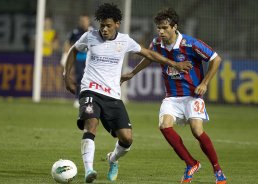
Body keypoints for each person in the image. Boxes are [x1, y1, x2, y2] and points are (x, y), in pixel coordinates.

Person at [64, 3, 192, 183]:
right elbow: (73, 50)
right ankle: (89, 170)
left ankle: (112, 159)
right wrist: (66, 75)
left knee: (127, 139)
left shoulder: (125, 41)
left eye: (108, 25)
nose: (105, 29)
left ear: (117, 24)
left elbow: (149, 54)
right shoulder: (89, 36)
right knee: (91, 124)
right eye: (102, 25)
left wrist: (174, 64)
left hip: (113, 95)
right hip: (90, 90)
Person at [121, 8, 227, 184]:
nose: (161, 31)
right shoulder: (156, 44)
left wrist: (204, 83)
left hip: (192, 95)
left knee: (197, 130)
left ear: (174, 27)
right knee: (164, 126)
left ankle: (218, 171)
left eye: (164, 27)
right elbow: (149, 58)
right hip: (172, 96)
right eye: (158, 28)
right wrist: (132, 74)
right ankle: (191, 164)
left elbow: (216, 59)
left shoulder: (190, 44)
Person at [61, 15, 93, 108]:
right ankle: (77, 98)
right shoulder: (75, 32)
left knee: (90, 79)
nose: (84, 22)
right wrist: (65, 55)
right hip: (79, 58)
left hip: (90, 59)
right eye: (82, 21)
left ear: (89, 21)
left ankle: (90, 99)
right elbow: (68, 43)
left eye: (85, 20)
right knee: (79, 78)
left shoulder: (93, 31)